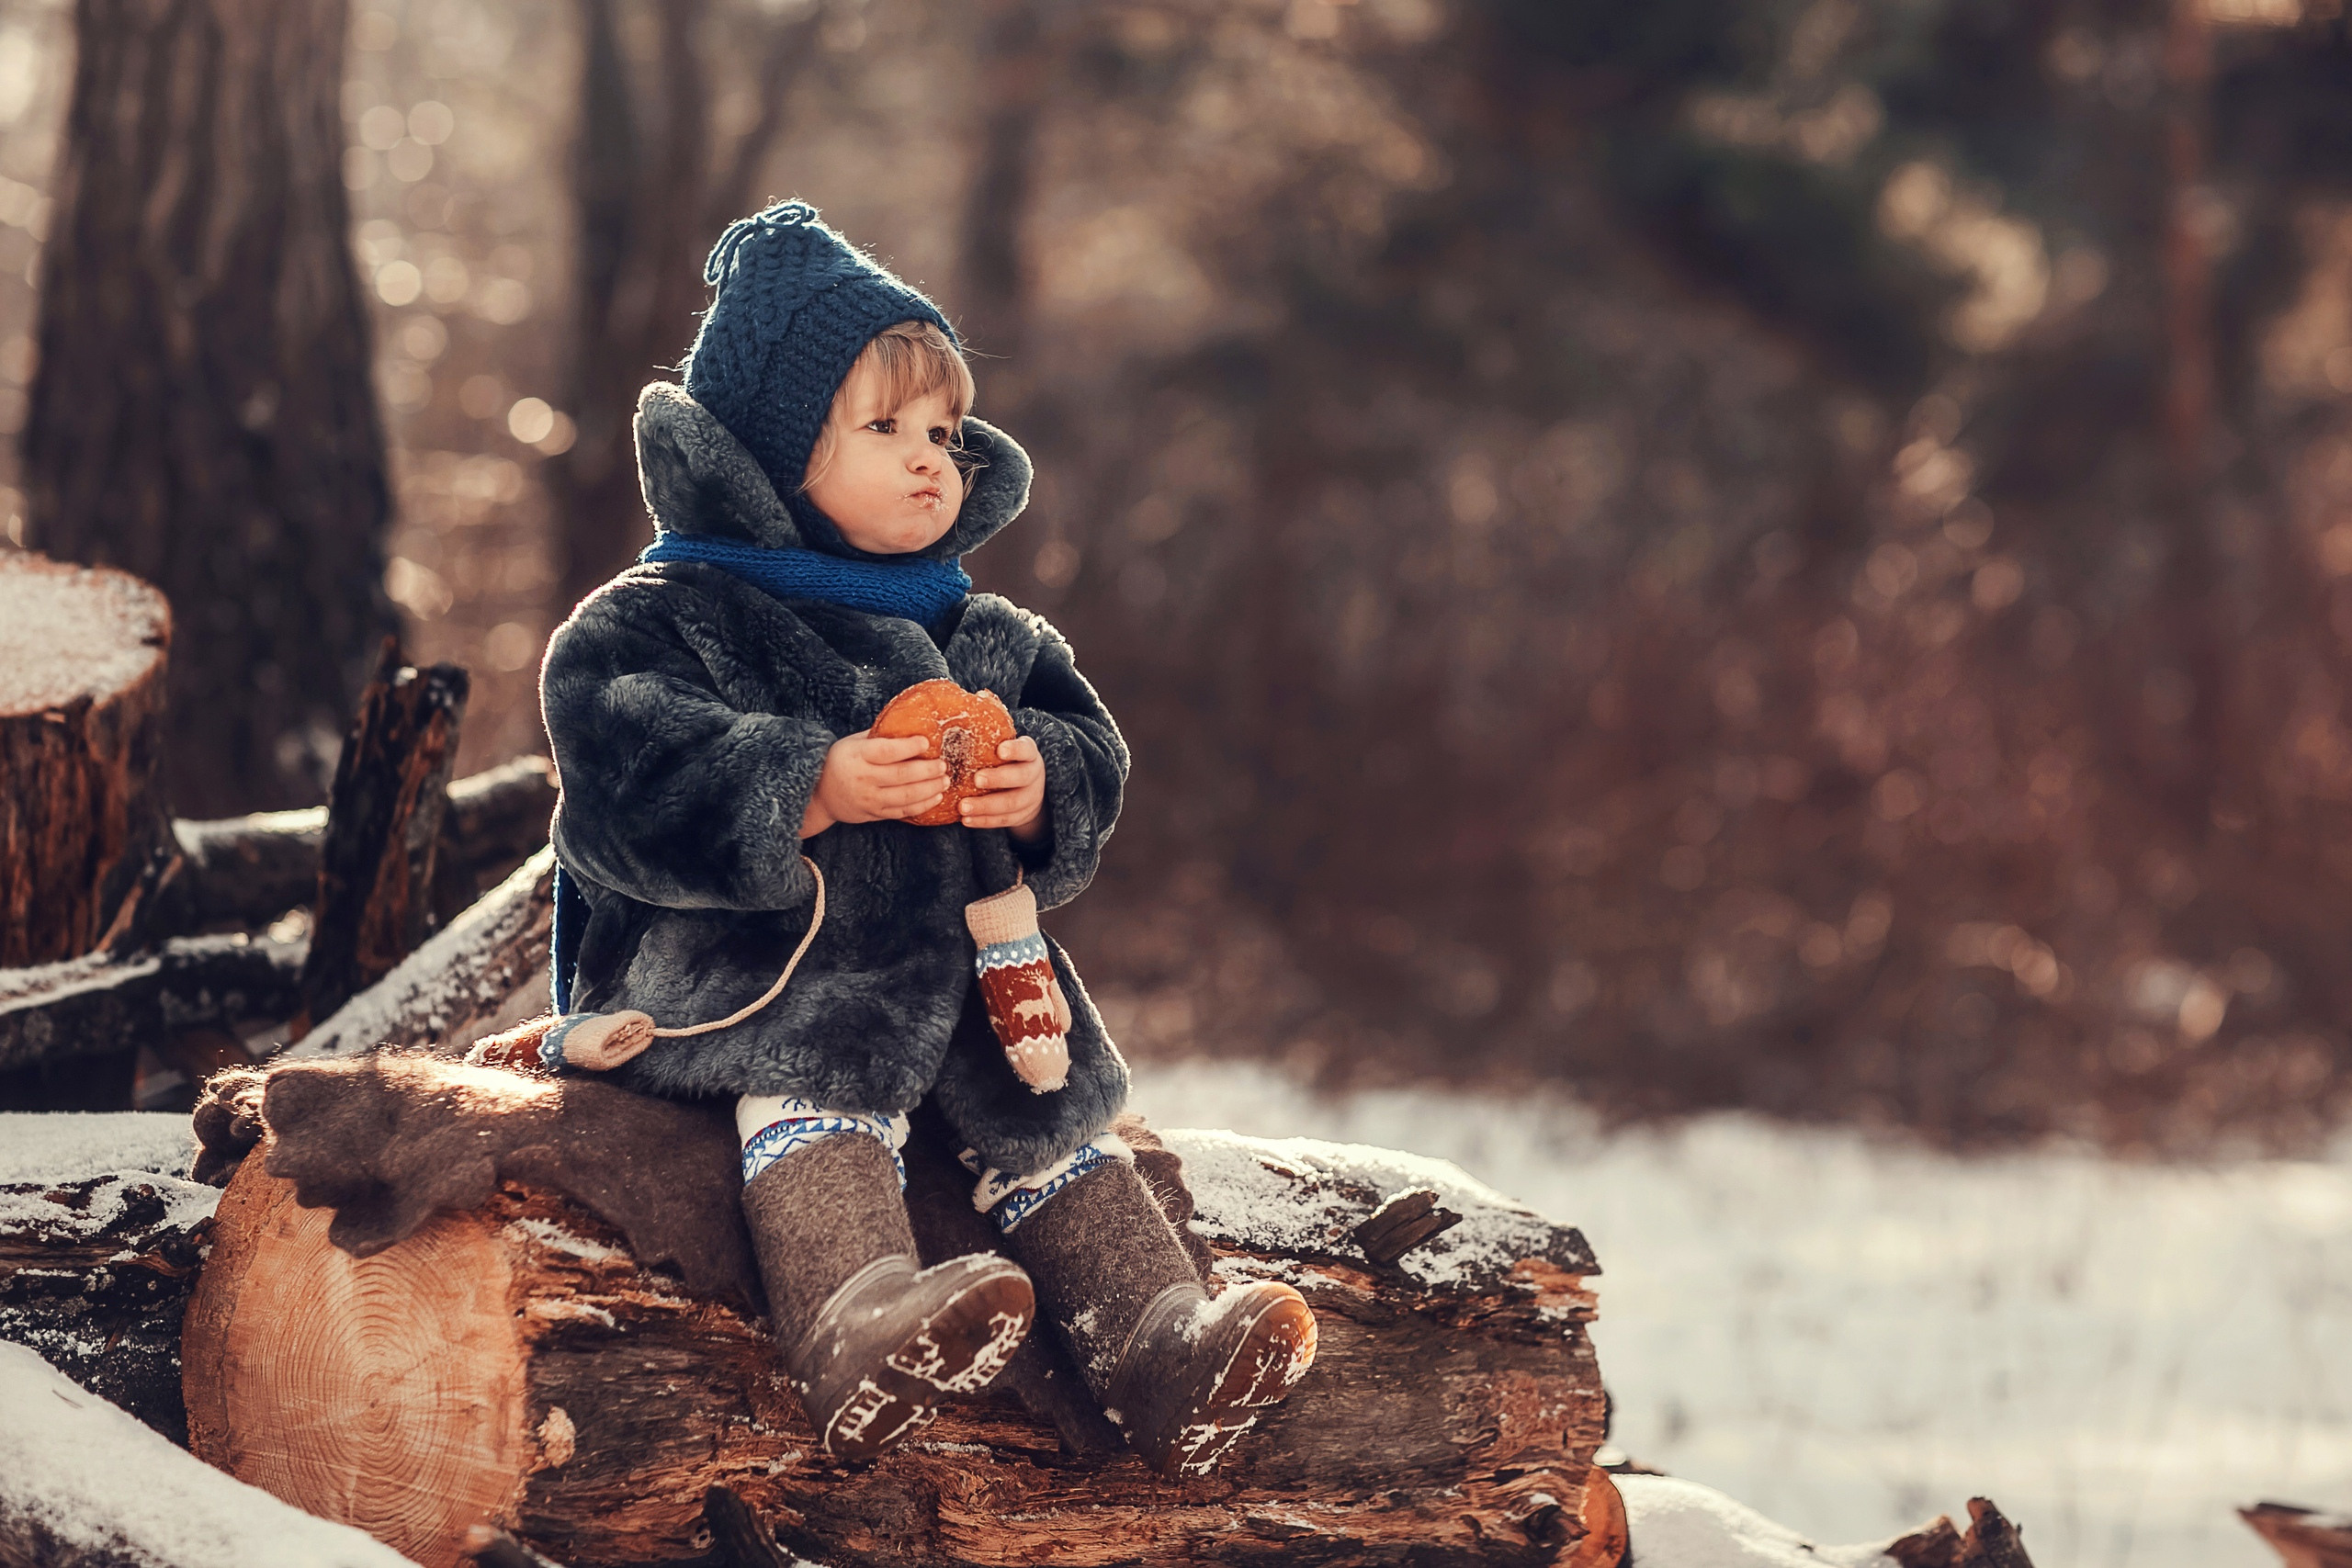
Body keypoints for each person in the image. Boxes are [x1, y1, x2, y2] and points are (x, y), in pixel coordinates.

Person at [533, 202, 1316, 1475]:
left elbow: (1091, 746)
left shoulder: (980, 627)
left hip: (977, 979)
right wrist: (809, 783)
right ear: (775, 452)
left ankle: (1162, 1347)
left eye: (944, 432)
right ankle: (856, 1321)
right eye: (884, 428)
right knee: (815, 1089)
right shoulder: (669, 614)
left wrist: (1041, 783)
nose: (929, 460)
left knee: (1055, 1131)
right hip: (769, 973)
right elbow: (622, 778)